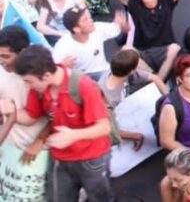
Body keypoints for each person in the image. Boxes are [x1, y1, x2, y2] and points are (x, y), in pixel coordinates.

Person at [0, 45, 114, 201]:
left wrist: (73, 135)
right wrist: (11, 112)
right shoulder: (39, 88)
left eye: (29, 81)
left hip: (92, 159)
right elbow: (30, 117)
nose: (28, 86)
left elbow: (104, 127)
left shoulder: (84, 86)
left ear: (46, 76)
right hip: (61, 158)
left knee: (100, 198)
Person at [0, 26, 49, 185]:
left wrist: (40, 141)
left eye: (5, 56)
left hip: (42, 152)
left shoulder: (43, 76)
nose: (1, 61)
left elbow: (57, 116)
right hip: (10, 150)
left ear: (23, 52)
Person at [52, 6, 128, 77]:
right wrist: (62, 66)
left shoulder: (97, 28)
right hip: (85, 79)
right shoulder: (62, 46)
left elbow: (121, 29)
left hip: (105, 70)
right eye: (85, 19)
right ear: (76, 29)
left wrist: (123, 25)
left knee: (129, 50)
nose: (91, 20)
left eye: (89, 17)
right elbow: (52, 70)